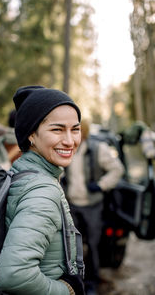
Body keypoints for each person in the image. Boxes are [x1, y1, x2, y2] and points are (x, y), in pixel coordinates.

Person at [0, 86, 85, 295]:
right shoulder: (42, 192)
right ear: (31, 136)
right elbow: (14, 275)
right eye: (57, 129)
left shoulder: (22, 172)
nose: (70, 141)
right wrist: (67, 291)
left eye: (75, 129)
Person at [62, 119, 124, 295]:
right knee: (71, 246)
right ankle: (74, 283)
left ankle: (92, 283)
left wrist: (101, 185)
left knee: (93, 246)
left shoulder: (99, 149)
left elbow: (117, 169)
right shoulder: (67, 149)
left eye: (76, 131)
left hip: (92, 205)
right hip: (71, 204)